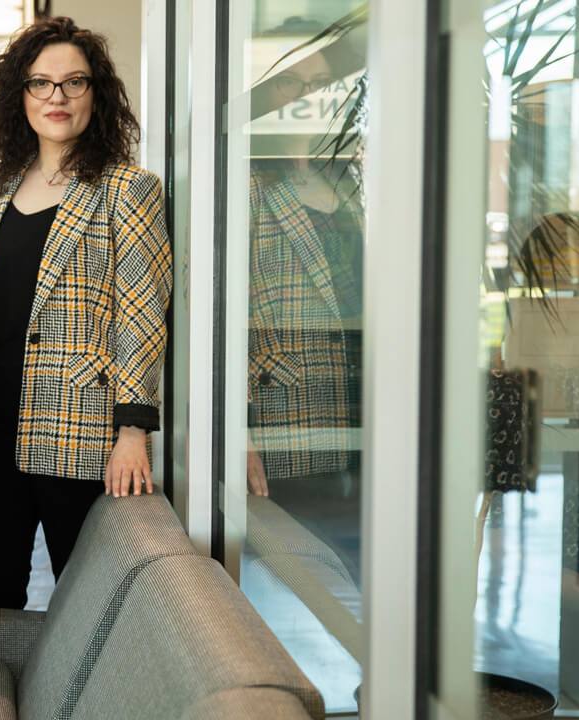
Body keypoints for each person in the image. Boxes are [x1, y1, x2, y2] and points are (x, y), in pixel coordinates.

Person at [0, 16, 172, 609]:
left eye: (74, 82)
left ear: (98, 93)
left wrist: (132, 431)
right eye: (41, 83)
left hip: (79, 429)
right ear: (20, 96)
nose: (58, 98)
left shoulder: (128, 188)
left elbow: (142, 317)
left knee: (90, 602)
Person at [246, 44, 364, 579]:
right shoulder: (245, 183)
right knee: (309, 582)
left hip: (364, 403)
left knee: (367, 579)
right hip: (287, 415)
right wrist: (235, 428)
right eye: (292, 82)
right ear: (266, 93)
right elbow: (218, 315)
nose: (310, 94)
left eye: (321, 81)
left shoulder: (348, 179)